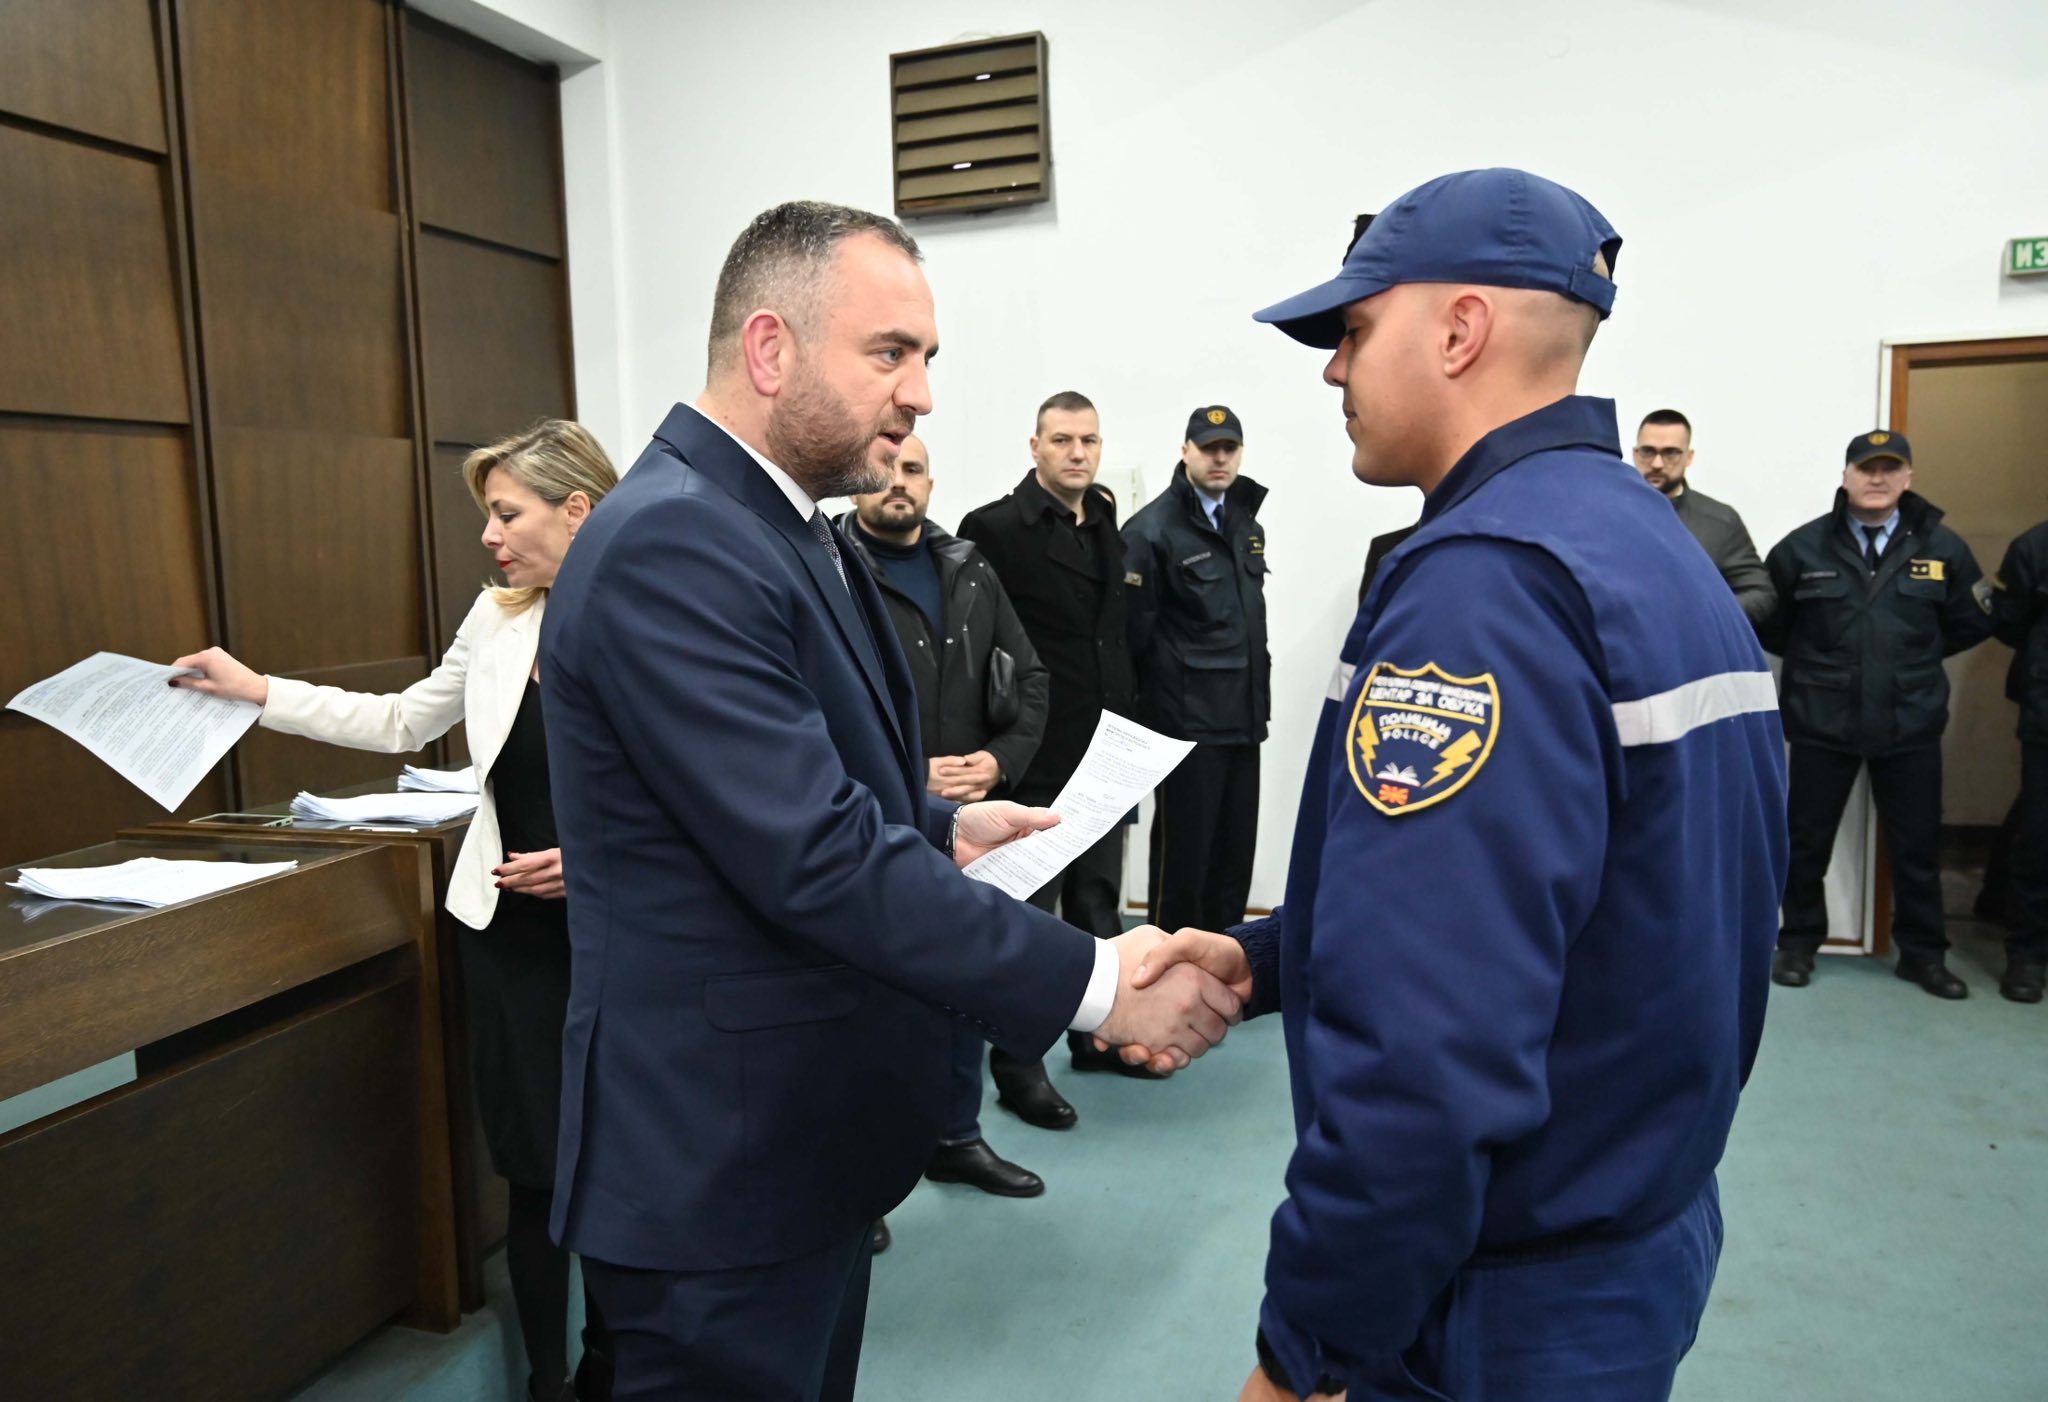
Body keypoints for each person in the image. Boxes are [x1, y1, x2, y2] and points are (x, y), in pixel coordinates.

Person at [536, 201, 1240, 1402]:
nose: (919, 394)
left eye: (925, 357)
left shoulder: (780, 526)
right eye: (888, 353)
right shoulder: (675, 541)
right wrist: (1098, 980)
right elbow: (813, 856)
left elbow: (789, 789)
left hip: (795, 1145)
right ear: (769, 348)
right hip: (716, 1163)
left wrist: (939, 825)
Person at [1124, 168, 1789, 1401]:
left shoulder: (1483, 586)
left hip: (1497, 1300)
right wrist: (1272, 957)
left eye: (1353, 329)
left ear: (1458, 330)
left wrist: (1307, 1346)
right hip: (1632, 1230)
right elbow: (1574, 898)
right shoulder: (1646, 543)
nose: (1332, 369)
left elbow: (1429, 1052)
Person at [170, 420, 620, 1402]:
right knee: (538, 1168)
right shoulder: (496, 617)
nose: (488, 536)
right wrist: (257, 691)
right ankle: (550, 1380)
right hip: (511, 937)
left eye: (506, 513)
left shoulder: (657, 613)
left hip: (626, 933)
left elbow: (692, 788)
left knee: (625, 1160)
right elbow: (403, 719)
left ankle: (613, 1363)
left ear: (577, 510)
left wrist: (600, 864)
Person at [840, 431, 1052, 1201]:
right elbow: (813, 704)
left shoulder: (968, 568)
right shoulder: (829, 569)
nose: (900, 481)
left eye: (915, 469)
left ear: (931, 483)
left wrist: (999, 762)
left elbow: (1032, 679)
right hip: (874, 818)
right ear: (857, 478)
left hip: (968, 820)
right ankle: (859, 1175)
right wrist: (903, 773)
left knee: (965, 980)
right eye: (887, 467)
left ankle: (957, 1137)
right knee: (871, 999)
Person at [959, 392, 1149, 1109]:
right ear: (1034, 446)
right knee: (1030, 919)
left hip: (1106, 750)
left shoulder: (1105, 521)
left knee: (1098, 905)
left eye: (1089, 440)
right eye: (1063, 439)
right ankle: (1018, 1066)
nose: (1077, 452)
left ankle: (1096, 1039)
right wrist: (993, 750)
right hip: (1037, 752)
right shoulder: (992, 529)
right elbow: (979, 648)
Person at [1757, 431, 1996, 995]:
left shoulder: (1943, 548)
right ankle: (1797, 944)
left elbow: (1973, 621)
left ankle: (1923, 955)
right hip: (1823, 719)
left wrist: (1908, 663)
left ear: (1908, 478)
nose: (1878, 479)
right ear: (1846, 476)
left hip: (1909, 721)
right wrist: (1827, 666)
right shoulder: (1802, 548)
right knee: (1806, 842)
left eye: (1890, 469)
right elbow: (1772, 623)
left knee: (1917, 846)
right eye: (1866, 468)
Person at [1123, 405, 1271, 935]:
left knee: (1234, 864)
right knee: (1182, 869)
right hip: (1186, 728)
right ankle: (1167, 965)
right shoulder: (1150, 531)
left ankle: (1224, 964)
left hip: (1243, 722)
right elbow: (1132, 637)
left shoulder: (1245, 523)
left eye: (1229, 448)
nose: (1220, 458)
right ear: (1185, 451)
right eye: (1209, 448)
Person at [1631, 409, 1774, 623]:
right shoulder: (1607, 513)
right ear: (1635, 454)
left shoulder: (1719, 522)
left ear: (1689, 457)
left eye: (1670, 453)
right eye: (1648, 452)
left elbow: (1759, 593)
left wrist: (1703, 615)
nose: (1657, 463)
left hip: (1692, 641)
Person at [1991, 520, 2048, 1001]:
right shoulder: (2035, 546)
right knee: (2039, 838)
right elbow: (2008, 622)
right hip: (2047, 717)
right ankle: (2027, 954)